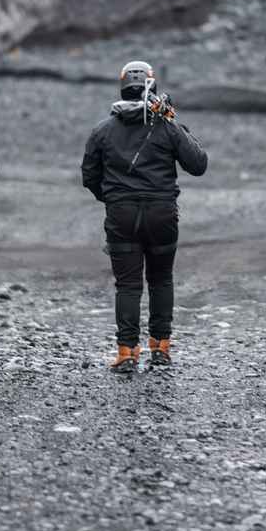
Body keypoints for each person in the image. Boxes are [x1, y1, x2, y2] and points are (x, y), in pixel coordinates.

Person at [81, 60, 208, 373]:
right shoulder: (166, 126)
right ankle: (161, 348)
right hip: (162, 213)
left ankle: (126, 352)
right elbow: (198, 164)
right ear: (153, 86)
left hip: (121, 215)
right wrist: (176, 126)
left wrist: (111, 198)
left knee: (127, 285)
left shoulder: (102, 130)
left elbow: (89, 175)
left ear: (123, 86)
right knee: (161, 279)